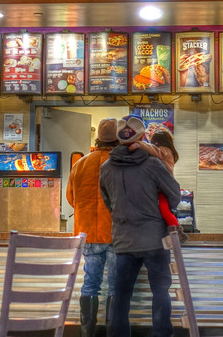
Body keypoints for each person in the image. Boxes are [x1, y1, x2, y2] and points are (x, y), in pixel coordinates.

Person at [99, 115, 181, 337]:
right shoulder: (153, 164)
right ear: (142, 137)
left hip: (123, 240)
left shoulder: (106, 168)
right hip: (155, 240)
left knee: (121, 293)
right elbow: (174, 194)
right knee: (160, 291)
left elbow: (108, 202)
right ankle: (161, 334)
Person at [66, 118, 119, 337]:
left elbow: (71, 198)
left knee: (90, 284)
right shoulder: (121, 163)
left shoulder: (80, 164)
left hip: (87, 233)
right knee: (116, 287)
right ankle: (113, 333)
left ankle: (87, 332)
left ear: (97, 140)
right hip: (115, 233)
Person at [130, 130, 188, 243]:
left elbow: (153, 149)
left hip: (163, 187)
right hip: (162, 186)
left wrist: (139, 144)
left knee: (164, 209)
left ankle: (177, 233)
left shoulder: (164, 151)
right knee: (163, 209)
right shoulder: (168, 152)